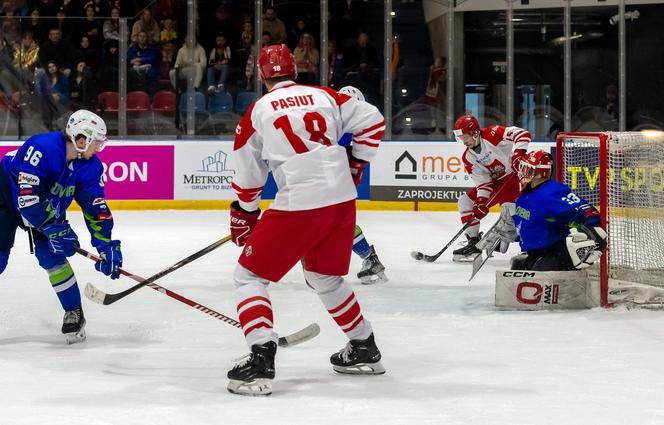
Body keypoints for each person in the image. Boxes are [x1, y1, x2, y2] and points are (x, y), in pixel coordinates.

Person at [227, 44, 386, 397]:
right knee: (324, 276)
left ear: (262, 75)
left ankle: (261, 357)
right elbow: (373, 119)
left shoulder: (258, 111)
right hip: (342, 198)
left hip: (300, 200)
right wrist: (357, 162)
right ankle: (364, 345)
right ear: (294, 71)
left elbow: (248, 173)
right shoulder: (325, 96)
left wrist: (245, 211)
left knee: (249, 276)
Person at [0, 110, 123, 344]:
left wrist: (105, 245)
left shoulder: (90, 167)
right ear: (81, 139)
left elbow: (95, 207)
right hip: (5, 195)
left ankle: (74, 312)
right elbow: (27, 199)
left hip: (45, 203)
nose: (99, 148)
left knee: (52, 256)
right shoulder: (42, 148)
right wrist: (54, 227)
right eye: (97, 142)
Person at [478, 150, 606, 271]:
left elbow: (589, 213)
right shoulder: (525, 195)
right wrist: (511, 232)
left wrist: (593, 236)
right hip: (537, 253)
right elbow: (533, 223)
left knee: (537, 272)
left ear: (539, 173)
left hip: (556, 253)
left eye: (527, 169)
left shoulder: (552, 192)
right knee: (517, 265)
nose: (521, 172)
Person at [451, 114, 529, 261]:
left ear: (474, 133)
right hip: (496, 184)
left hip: (513, 178)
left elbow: (523, 134)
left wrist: (518, 154)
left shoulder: (493, 133)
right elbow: (484, 183)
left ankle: (528, 247)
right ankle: (473, 243)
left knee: (512, 211)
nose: (462, 141)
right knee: (466, 202)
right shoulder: (468, 157)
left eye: (464, 136)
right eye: (460, 137)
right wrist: (481, 201)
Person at [338, 85, 387, 284]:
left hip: (334, 181)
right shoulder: (357, 128)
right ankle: (369, 258)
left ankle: (369, 257)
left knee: (333, 222)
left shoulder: (343, 128)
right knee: (337, 222)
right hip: (335, 180)